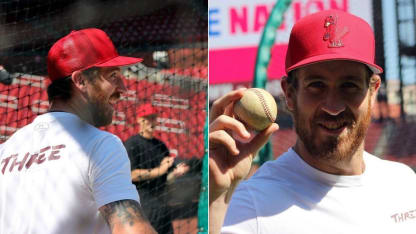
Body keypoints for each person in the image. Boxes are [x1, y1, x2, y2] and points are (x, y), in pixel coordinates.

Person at [209, 10, 416, 234]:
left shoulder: (403, 183)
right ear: (289, 93)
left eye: (349, 86)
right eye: (316, 85)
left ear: (373, 91)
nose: (333, 106)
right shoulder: (252, 204)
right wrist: (216, 203)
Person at [0, 28, 156, 234]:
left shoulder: (7, 149)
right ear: (81, 81)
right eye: (113, 76)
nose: (123, 89)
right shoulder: (99, 144)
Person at [124, 103, 190, 234]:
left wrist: (175, 173)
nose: (151, 121)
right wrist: (160, 169)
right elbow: (131, 175)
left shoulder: (161, 145)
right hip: (142, 204)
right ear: (139, 120)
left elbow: (166, 178)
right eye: (147, 118)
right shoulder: (132, 144)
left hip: (162, 204)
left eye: (153, 118)